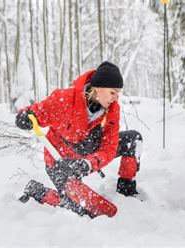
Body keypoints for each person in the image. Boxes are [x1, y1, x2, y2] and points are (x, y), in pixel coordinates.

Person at [15, 61, 143, 217]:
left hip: (87, 156)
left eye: (118, 93)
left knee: (133, 140)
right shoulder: (65, 99)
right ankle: (39, 192)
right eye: (112, 92)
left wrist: (88, 164)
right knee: (83, 210)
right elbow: (38, 112)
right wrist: (26, 116)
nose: (116, 98)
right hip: (61, 162)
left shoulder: (112, 110)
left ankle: (126, 190)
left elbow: (109, 147)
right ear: (98, 88)